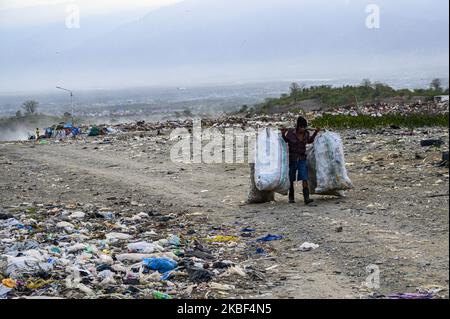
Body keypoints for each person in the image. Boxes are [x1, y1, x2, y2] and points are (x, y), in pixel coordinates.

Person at [281, 116, 320, 205]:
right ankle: (291, 197)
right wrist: (283, 134)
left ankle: (306, 198)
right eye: (301, 127)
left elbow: (309, 141)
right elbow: (286, 141)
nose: (303, 129)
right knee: (291, 178)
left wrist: (315, 133)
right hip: (292, 158)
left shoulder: (306, 133)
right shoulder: (291, 132)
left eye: (304, 127)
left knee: (304, 177)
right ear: (298, 126)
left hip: (302, 158)